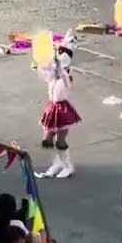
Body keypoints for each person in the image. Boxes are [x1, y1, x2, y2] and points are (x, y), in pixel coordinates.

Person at [36, 35, 81, 179]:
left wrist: (58, 62)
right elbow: (45, 70)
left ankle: (68, 166)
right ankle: (57, 163)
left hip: (62, 110)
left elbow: (63, 73)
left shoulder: (66, 76)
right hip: (52, 109)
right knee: (47, 140)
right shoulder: (53, 75)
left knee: (60, 140)